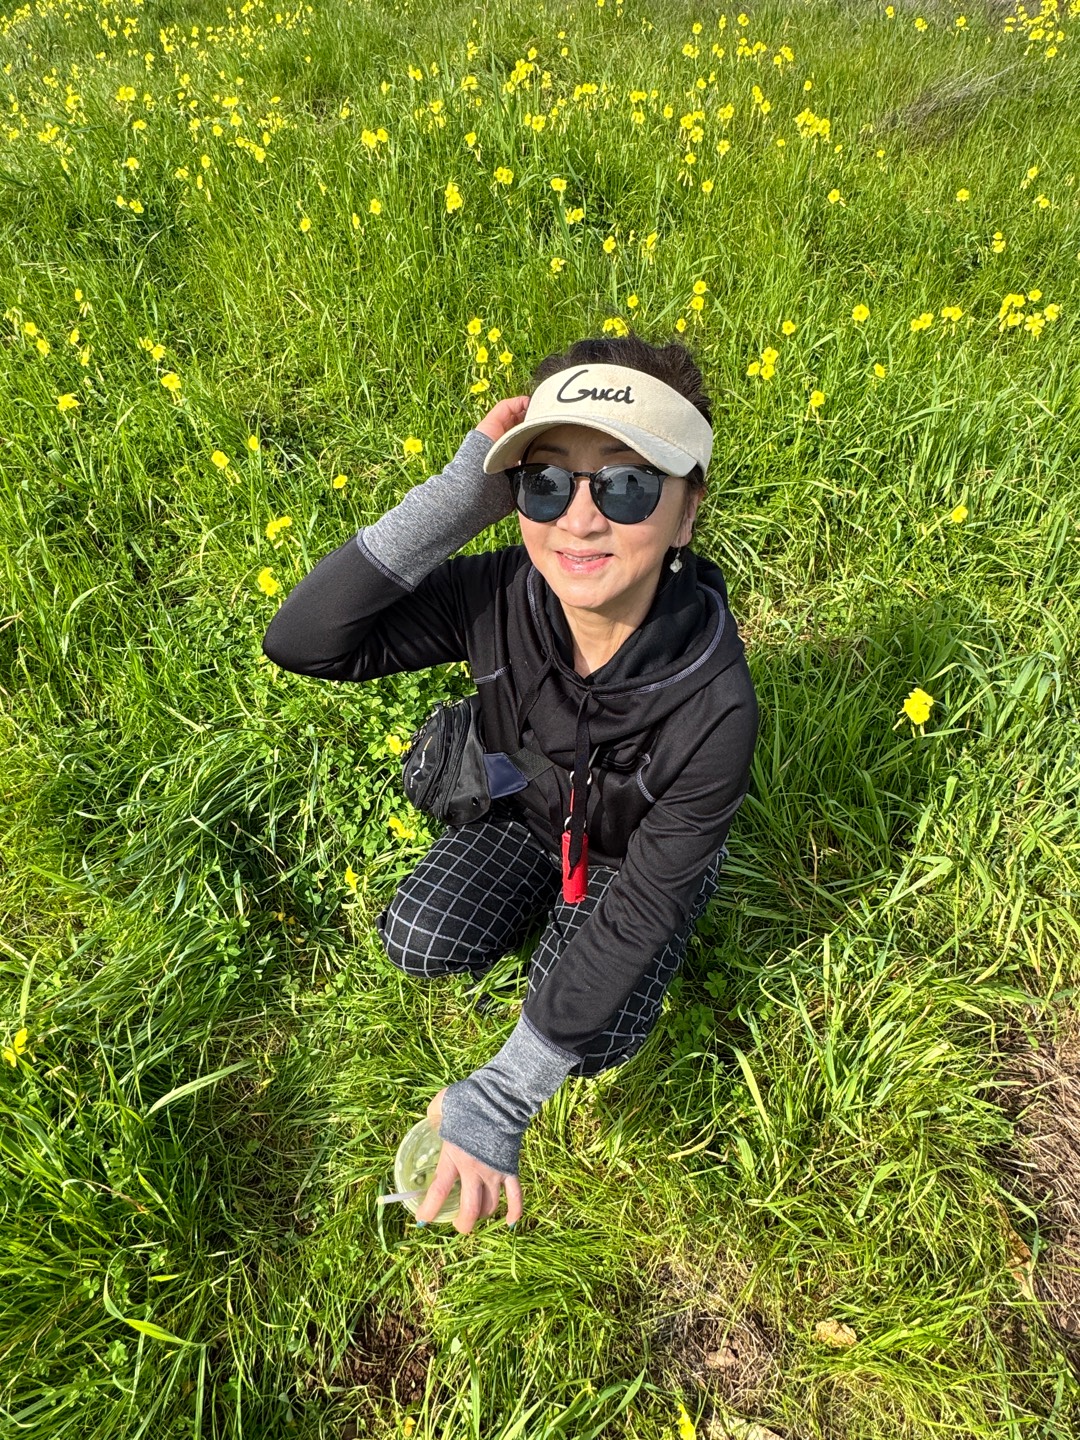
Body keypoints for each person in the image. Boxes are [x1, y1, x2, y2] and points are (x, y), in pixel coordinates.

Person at [261, 332, 759, 1235]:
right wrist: (458, 499)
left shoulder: (716, 703)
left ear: (687, 513)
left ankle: (654, 892)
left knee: (594, 1038)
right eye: (545, 482)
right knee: (418, 938)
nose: (580, 521)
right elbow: (304, 641)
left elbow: (641, 911)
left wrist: (507, 1089)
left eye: (627, 485)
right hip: (527, 815)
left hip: (628, 861)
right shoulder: (498, 594)